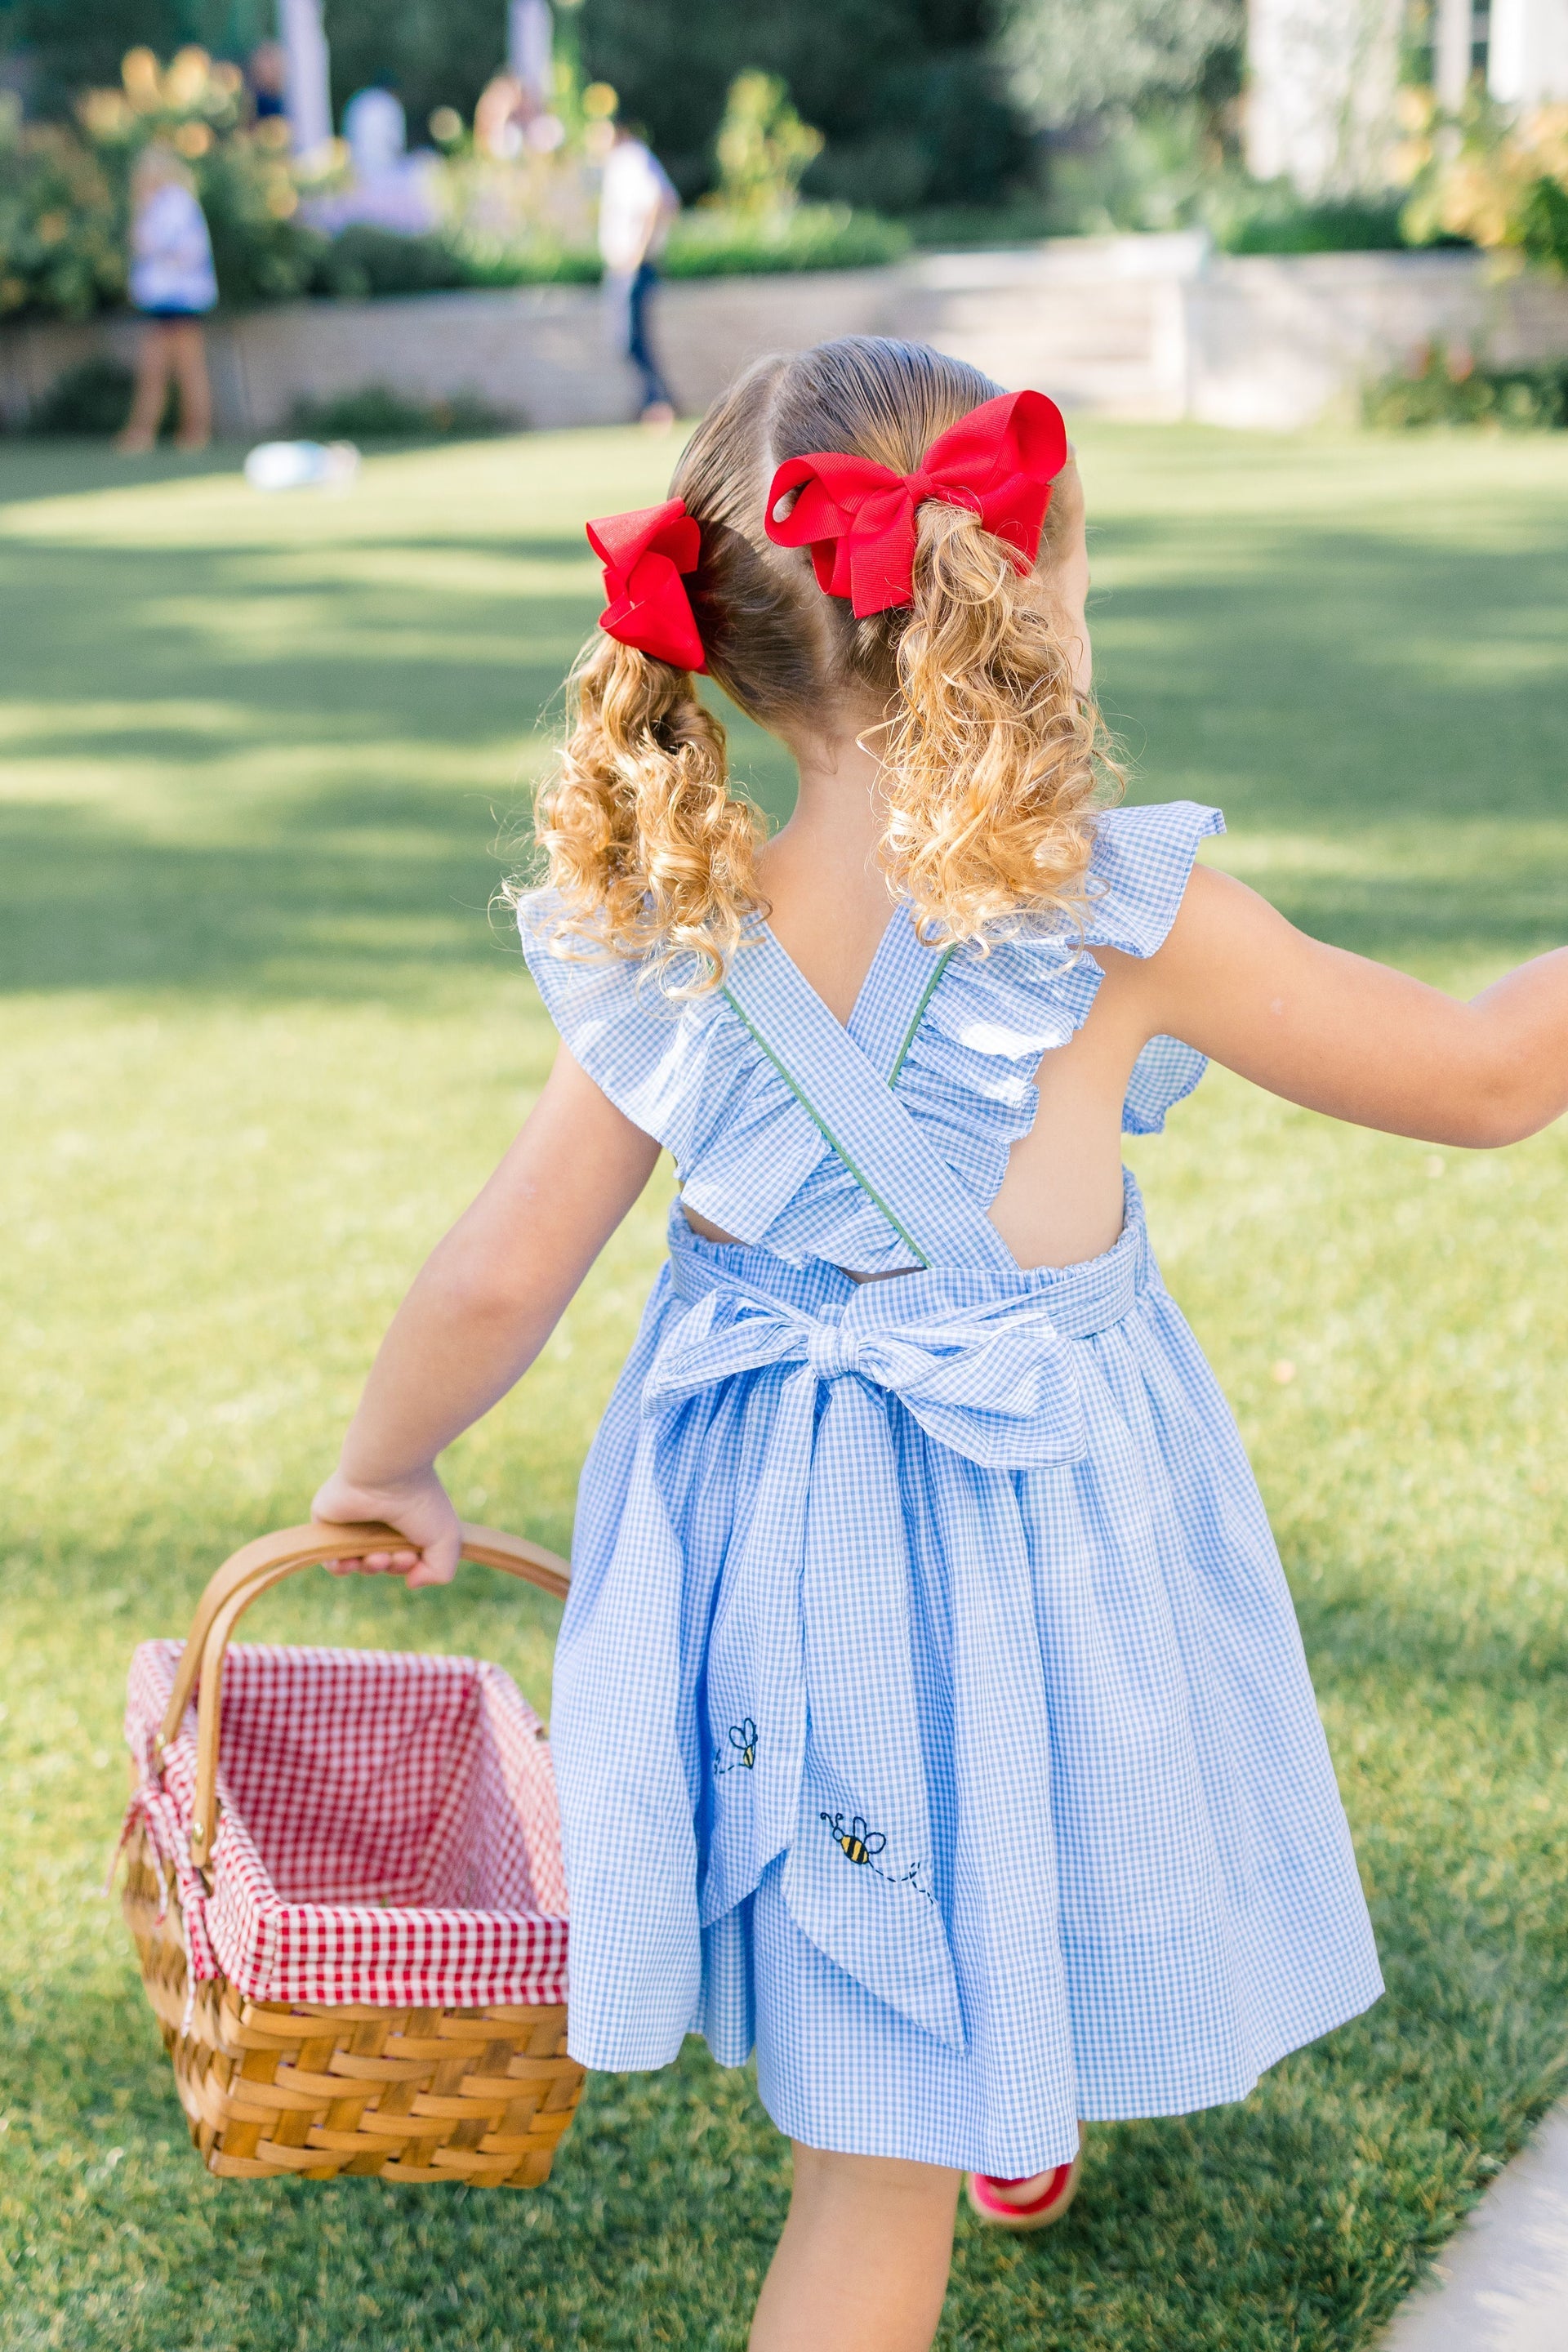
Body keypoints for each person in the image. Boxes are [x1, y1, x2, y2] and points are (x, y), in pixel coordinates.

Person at [312, 336, 1568, 2350]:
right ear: (1029, 598)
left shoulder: (678, 922)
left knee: (880, 2069)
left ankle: (960, 2081)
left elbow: (494, 1274)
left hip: (773, 1574)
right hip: (1017, 1557)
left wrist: (386, 1461)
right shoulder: (1115, 914)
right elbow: (1491, 1077)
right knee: (875, 2190)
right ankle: (959, 2094)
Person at [116, 144, 217, 455]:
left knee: (181, 368)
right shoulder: (158, 204)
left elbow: (171, 249)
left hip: (179, 299)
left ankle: (190, 432)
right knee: (158, 368)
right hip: (163, 301)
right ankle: (149, 433)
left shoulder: (175, 204)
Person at [597, 116, 679, 425]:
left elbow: (660, 200)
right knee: (628, 339)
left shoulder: (630, 158)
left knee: (630, 339)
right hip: (625, 266)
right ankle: (654, 403)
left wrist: (637, 252)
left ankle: (658, 403)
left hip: (633, 267)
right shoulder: (622, 162)